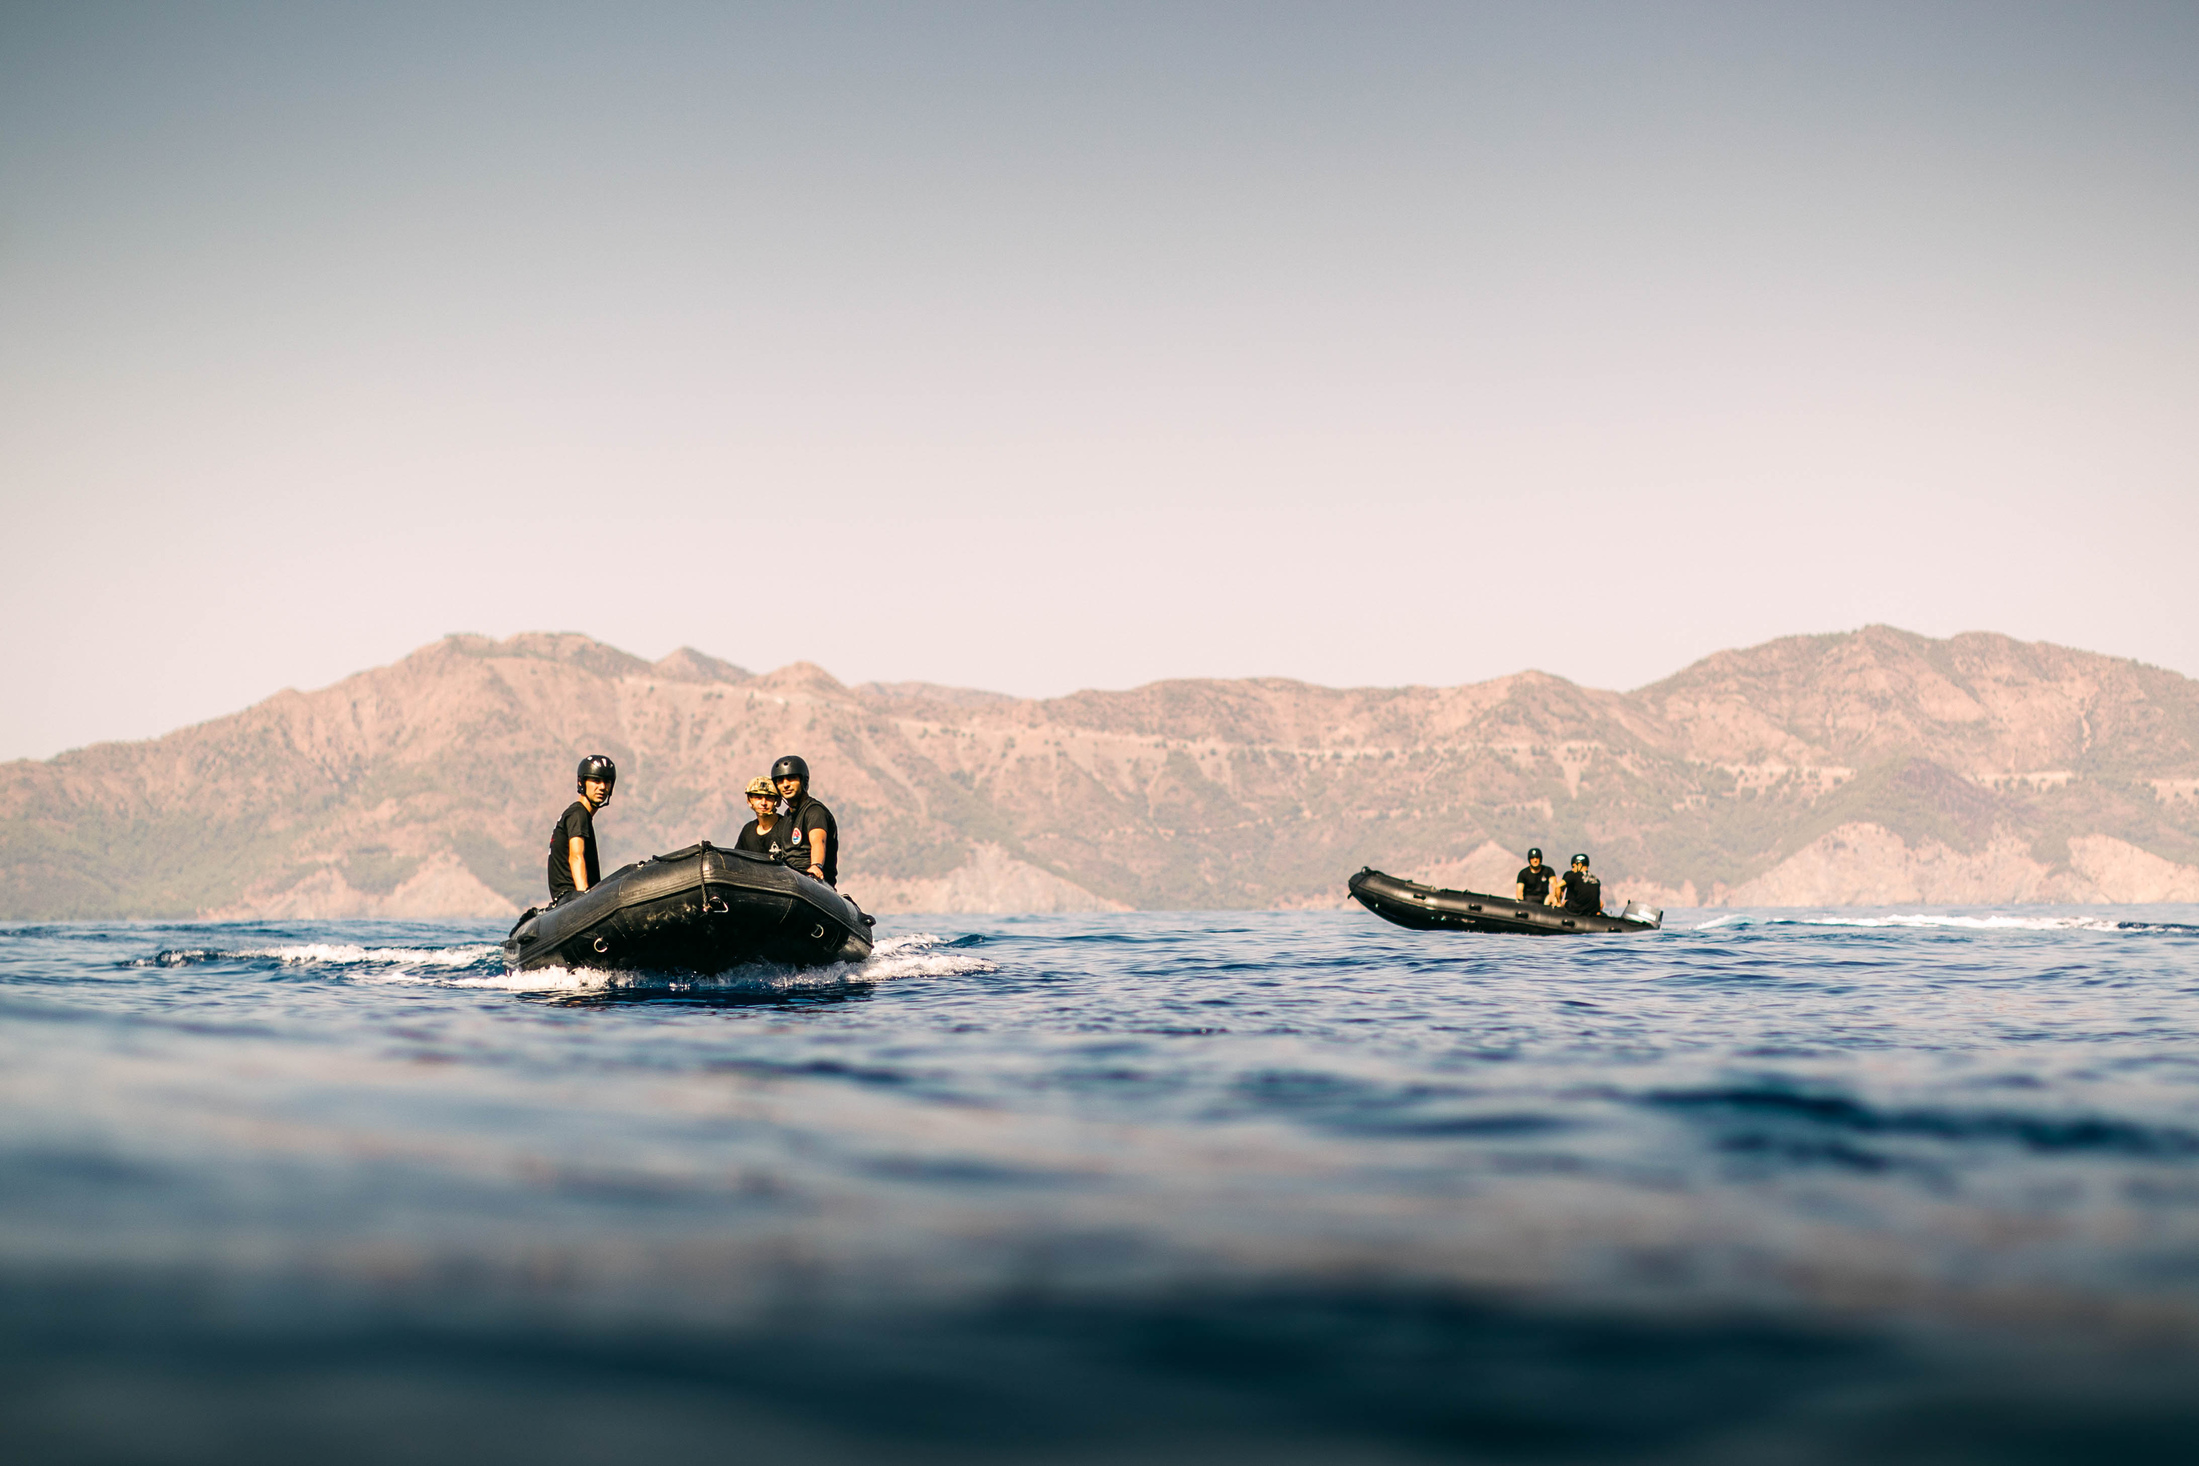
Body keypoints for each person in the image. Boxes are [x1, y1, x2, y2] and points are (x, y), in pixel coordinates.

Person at [547, 754, 616, 903]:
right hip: (570, 898)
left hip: (566, 900)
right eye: (596, 781)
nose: (602, 787)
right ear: (581, 782)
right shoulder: (578, 814)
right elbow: (576, 856)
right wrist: (584, 900)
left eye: (607, 781)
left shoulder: (576, 814)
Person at [771, 754, 838, 885]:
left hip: (815, 883)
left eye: (791, 778)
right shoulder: (787, 817)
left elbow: (819, 841)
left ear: (803, 781)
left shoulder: (814, 811)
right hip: (790, 879)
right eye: (780, 780)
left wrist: (816, 865)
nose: (785, 785)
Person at [734, 775, 792, 860]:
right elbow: (737, 861)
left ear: (778, 801)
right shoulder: (747, 831)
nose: (763, 803)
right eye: (758, 798)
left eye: (769, 798)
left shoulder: (787, 827)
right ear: (749, 800)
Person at [1558, 853, 1603, 917]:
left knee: (1565, 902)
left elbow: (1558, 886)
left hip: (1579, 908)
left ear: (1579, 865)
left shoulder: (1575, 876)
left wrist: (1558, 903)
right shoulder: (1596, 879)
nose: (1572, 869)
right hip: (1593, 910)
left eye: (1573, 867)